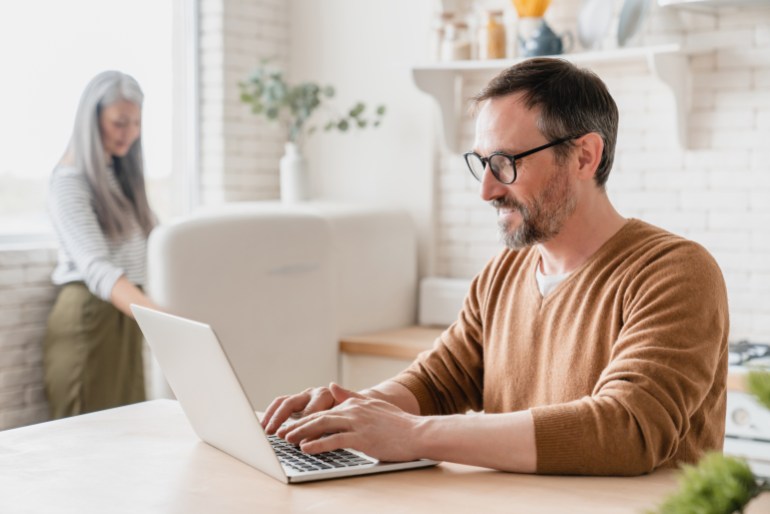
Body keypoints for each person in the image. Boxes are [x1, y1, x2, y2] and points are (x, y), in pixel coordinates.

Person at [261, 58, 729, 476]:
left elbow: (628, 429)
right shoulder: (502, 274)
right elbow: (438, 380)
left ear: (585, 156)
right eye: (482, 163)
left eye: (505, 162)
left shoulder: (675, 272)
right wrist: (350, 414)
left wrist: (413, 434)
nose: (486, 189)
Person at [43, 71, 161, 419]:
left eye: (136, 123)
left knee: (129, 435)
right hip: (90, 318)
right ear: (91, 119)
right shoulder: (69, 181)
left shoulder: (122, 178)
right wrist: (161, 318)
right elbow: (98, 268)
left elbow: (154, 241)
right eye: (119, 122)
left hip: (127, 317)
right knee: (86, 439)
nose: (129, 133)